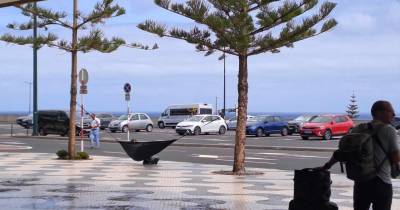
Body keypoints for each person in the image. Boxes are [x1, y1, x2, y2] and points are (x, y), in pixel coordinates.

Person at [322, 100, 400, 210]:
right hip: (381, 182)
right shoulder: (389, 130)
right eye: (391, 111)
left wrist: (327, 165)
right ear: (379, 112)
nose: (393, 115)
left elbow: (341, 152)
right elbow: (396, 158)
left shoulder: (358, 128)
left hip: (361, 181)